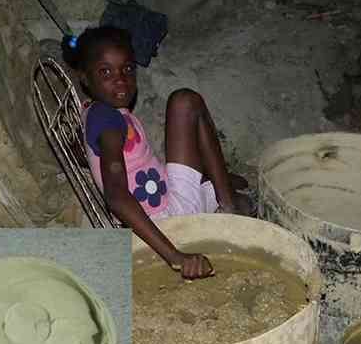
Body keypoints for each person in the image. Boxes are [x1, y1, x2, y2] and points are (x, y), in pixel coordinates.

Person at [64, 26, 248, 279]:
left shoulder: (96, 112)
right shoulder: (108, 122)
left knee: (216, 177)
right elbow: (115, 196)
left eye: (127, 69)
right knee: (185, 101)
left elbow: (86, 152)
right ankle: (229, 205)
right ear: (85, 78)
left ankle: (218, 185)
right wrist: (175, 257)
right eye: (106, 72)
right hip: (167, 220)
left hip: (160, 198)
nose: (121, 79)